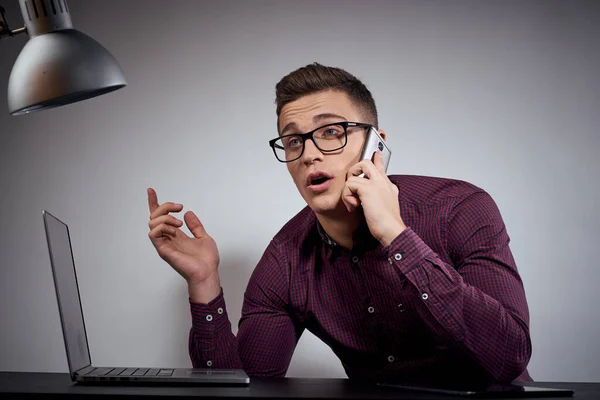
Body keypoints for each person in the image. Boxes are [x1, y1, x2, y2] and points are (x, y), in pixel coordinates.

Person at [146, 63, 532, 385]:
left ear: (375, 145)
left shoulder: (459, 208)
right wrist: (204, 283)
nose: (309, 154)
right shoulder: (286, 260)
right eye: (293, 141)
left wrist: (396, 236)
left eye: (330, 132)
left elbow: (509, 356)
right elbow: (245, 389)